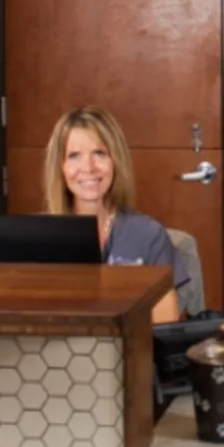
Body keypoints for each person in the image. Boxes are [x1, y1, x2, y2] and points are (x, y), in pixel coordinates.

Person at [43, 106, 190, 323]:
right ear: (60, 167)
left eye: (99, 153)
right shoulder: (42, 238)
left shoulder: (149, 236)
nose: (88, 167)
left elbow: (165, 327)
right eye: (74, 156)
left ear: (116, 162)